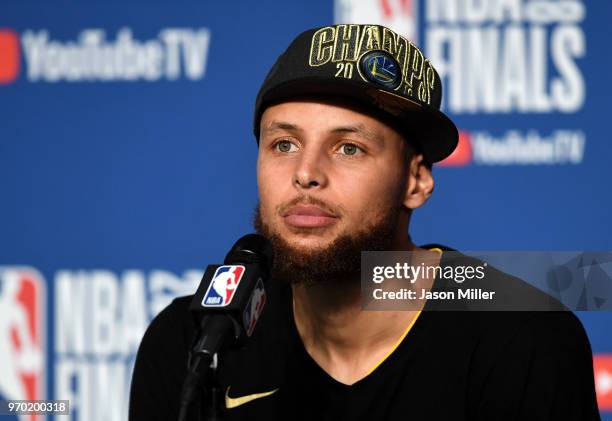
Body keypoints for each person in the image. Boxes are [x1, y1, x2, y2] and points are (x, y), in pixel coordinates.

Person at [129, 24, 600, 420]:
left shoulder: (524, 341)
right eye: (284, 144)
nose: (306, 173)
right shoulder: (194, 344)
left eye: (348, 147)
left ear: (415, 181)